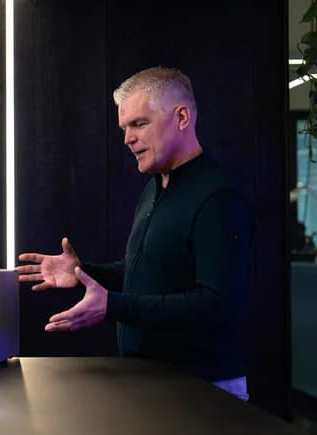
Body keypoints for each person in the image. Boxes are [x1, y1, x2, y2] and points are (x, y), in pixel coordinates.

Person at [16, 67, 253, 400]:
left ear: (182, 117)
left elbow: (216, 305)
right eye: (124, 128)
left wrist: (113, 306)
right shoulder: (154, 187)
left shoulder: (218, 197)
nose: (128, 138)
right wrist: (83, 272)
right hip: (153, 383)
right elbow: (146, 273)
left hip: (203, 390)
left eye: (139, 124)